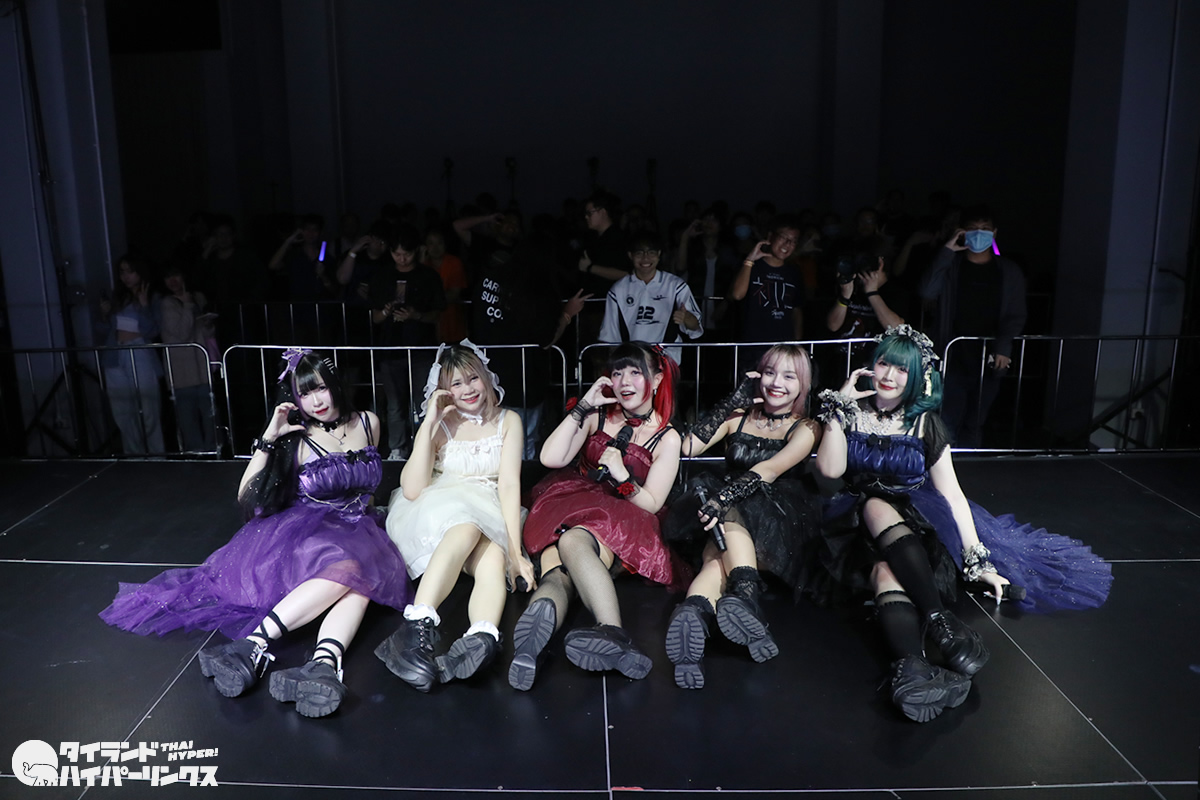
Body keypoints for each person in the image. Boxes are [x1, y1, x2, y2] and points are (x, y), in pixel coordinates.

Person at [809, 326, 1111, 722]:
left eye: (901, 369)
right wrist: (839, 408)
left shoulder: (925, 425)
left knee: (886, 571)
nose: (888, 375)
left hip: (912, 526)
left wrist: (977, 561)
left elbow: (953, 495)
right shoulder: (851, 415)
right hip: (852, 525)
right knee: (875, 508)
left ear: (917, 377)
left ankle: (915, 662)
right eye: (883, 363)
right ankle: (930, 639)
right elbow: (830, 470)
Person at [100, 349, 412, 717]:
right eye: (305, 394)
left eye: (321, 388)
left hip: (359, 526)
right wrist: (269, 437)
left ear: (335, 385)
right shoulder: (296, 438)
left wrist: (370, 519)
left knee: (359, 579)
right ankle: (258, 645)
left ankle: (321, 664)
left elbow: (367, 487)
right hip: (311, 531)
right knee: (351, 570)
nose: (316, 401)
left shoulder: (369, 422)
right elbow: (245, 495)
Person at [508, 342, 687, 690]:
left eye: (635, 372)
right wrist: (584, 406)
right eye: (617, 372)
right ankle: (531, 649)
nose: (624, 381)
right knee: (557, 570)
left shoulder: (667, 437)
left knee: (572, 542)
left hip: (626, 516)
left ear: (656, 378)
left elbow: (652, 502)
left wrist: (623, 477)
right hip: (570, 501)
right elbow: (550, 458)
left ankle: (609, 633)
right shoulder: (598, 415)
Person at [375, 343, 534, 691]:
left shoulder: (508, 421)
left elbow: (509, 485)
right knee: (465, 526)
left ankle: (481, 638)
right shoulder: (442, 424)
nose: (468, 389)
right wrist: (429, 422)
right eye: (457, 383)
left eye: (473, 378)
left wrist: (515, 552)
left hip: (489, 506)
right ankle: (416, 626)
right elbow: (412, 488)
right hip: (439, 506)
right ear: (444, 389)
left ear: (486, 378)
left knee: (494, 558)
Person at [663, 345, 821, 689]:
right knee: (715, 561)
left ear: (803, 384)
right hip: (725, 516)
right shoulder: (738, 416)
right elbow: (688, 446)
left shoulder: (807, 427)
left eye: (789, 376)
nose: (776, 383)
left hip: (777, 519)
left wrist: (723, 499)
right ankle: (699, 611)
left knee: (726, 521)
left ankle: (739, 597)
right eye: (770, 373)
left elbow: (769, 470)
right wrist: (730, 403)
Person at [918, 205, 1027, 447]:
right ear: (962, 232)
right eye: (973, 229)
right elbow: (927, 291)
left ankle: (971, 466)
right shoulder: (951, 266)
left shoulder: (1008, 271)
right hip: (952, 354)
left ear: (994, 233)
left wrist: (1004, 346)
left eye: (985, 229)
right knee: (947, 419)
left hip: (989, 357)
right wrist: (947, 250)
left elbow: (1015, 314)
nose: (979, 234)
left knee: (976, 421)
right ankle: (943, 466)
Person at [368, 224, 447, 459]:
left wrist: (416, 315)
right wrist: (386, 311)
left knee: (424, 402)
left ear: (416, 251)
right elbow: (375, 317)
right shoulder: (382, 276)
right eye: (397, 253)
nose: (402, 258)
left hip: (422, 347)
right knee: (395, 404)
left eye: (407, 253)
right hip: (390, 348)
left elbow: (437, 313)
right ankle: (397, 449)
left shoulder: (428, 276)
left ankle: (427, 448)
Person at [598, 231, 702, 364]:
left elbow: (695, 328)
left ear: (659, 254)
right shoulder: (618, 290)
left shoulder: (675, 285)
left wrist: (686, 317)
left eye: (651, 252)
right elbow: (610, 337)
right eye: (639, 253)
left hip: (667, 359)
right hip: (632, 361)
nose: (645, 258)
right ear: (630, 255)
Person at [98, 255, 164, 455]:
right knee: (122, 409)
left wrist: (144, 307)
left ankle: (156, 455)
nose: (126, 276)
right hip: (115, 353)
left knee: (149, 406)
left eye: (131, 271)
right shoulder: (118, 297)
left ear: (140, 272)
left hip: (139, 350)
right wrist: (104, 314)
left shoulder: (152, 296)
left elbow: (153, 330)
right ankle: (134, 455)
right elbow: (104, 329)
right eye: (122, 272)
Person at [728, 216, 804, 366]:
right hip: (752, 347)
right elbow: (737, 294)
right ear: (770, 237)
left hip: (783, 348)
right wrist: (750, 260)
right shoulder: (752, 265)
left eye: (793, 241)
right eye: (783, 237)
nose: (787, 244)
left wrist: (797, 345)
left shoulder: (794, 272)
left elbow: (797, 310)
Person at [160, 264, 217, 452]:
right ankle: (196, 455)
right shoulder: (166, 303)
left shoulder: (197, 297)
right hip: (181, 372)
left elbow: (207, 333)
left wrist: (207, 323)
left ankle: (213, 452)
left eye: (176, 275)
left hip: (202, 367)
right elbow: (181, 333)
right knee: (188, 419)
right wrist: (186, 306)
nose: (173, 281)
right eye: (168, 277)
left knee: (210, 416)